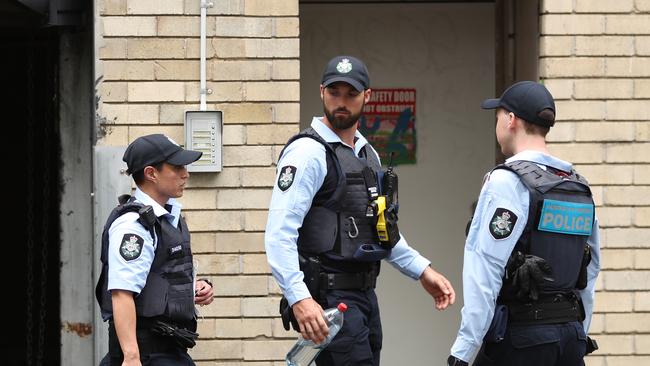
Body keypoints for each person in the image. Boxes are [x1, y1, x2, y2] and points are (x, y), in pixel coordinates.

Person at [265, 55, 456, 366]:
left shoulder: (367, 153)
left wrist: (422, 270)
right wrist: (299, 298)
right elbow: (279, 234)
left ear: (367, 96)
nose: (341, 102)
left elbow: (382, 229)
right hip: (329, 300)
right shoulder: (308, 153)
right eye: (334, 92)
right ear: (321, 91)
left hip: (365, 297)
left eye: (351, 94)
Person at [447, 81, 600, 366]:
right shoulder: (578, 186)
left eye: (497, 118)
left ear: (511, 120)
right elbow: (589, 271)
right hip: (570, 338)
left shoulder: (507, 181)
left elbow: (486, 267)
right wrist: (579, 332)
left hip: (522, 339)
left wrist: (464, 349)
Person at [95, 134, 214, 366]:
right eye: (177, 167)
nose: (185, 174)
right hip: (147, 354)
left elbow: (161, 279)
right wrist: (131, 358)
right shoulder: (134, 225)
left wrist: (194, 289)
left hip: (169, 350)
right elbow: (122, 292)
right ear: (151, 173)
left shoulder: (167, 218)